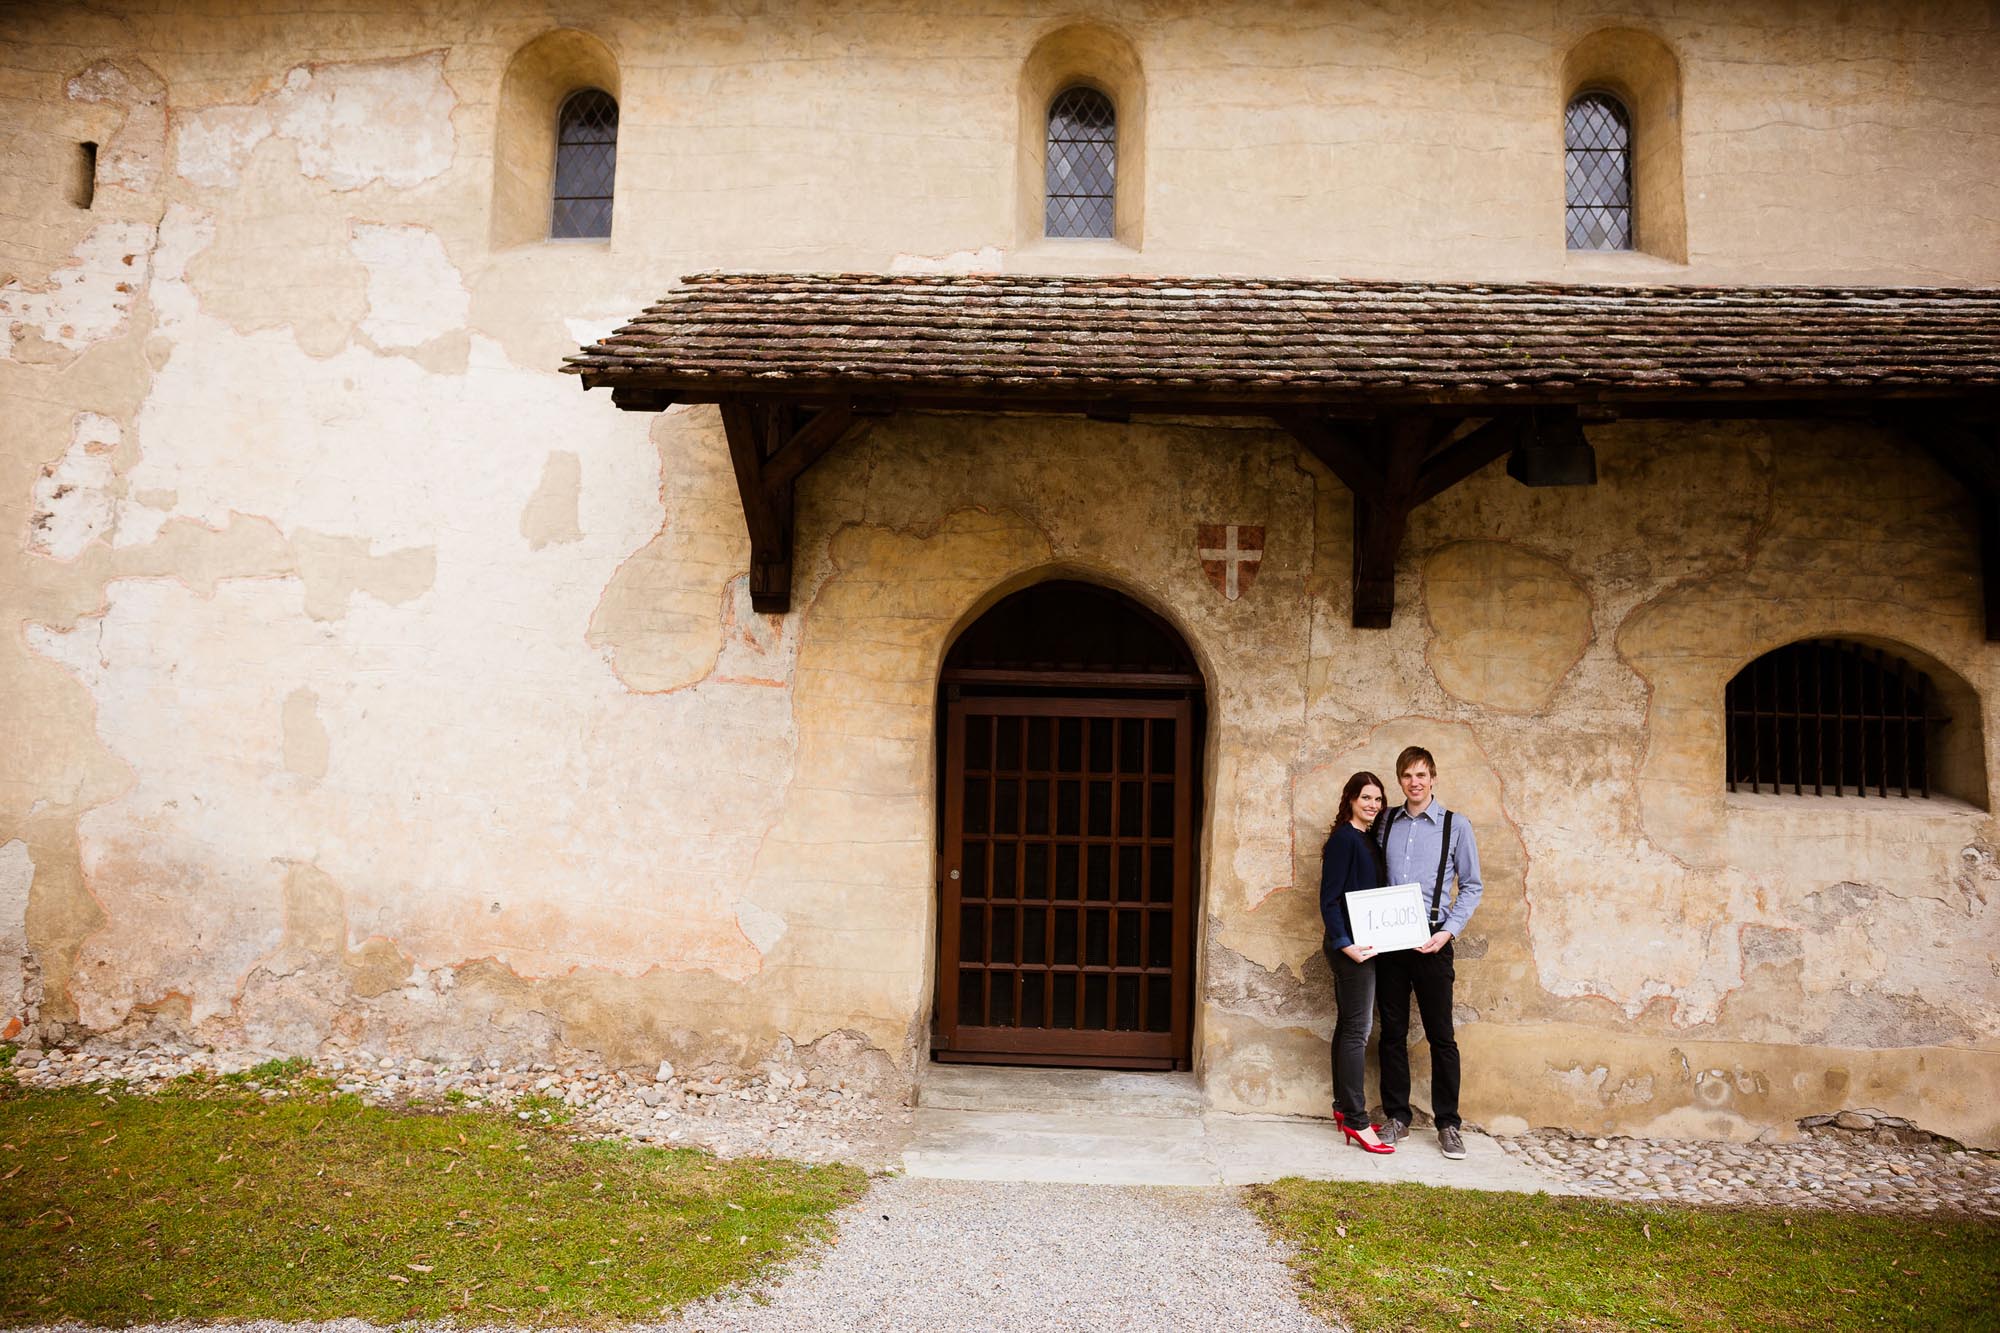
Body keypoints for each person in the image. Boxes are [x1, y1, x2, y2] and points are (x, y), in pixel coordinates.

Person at [1373, 745, 1482, 1160]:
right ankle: (1397, 1116)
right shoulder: (1386, 823)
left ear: (1433, 778)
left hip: (1433, 941)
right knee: (1392, 1034)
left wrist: (1448, 932)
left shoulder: (1456, 826)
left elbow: (1472, 885)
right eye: (1406, 776)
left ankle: (1449, 1123)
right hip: (1390, 943)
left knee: (1441, 1037)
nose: (1414, 783)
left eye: (1421, 775)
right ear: (1400, 780)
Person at [1318, 771, 1393, 1152]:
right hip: (1351, 950)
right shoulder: (1344, 840)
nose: (1373, 805)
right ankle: (1358, 1122)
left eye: (1378, 800)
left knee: (1347, 1025)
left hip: (1366, 945)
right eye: (1366, 798)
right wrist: (1346, 944)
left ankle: (1342, 1109)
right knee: (1358, 1031)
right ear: (1350, 799)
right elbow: (1328, 899)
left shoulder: (1367, 840)